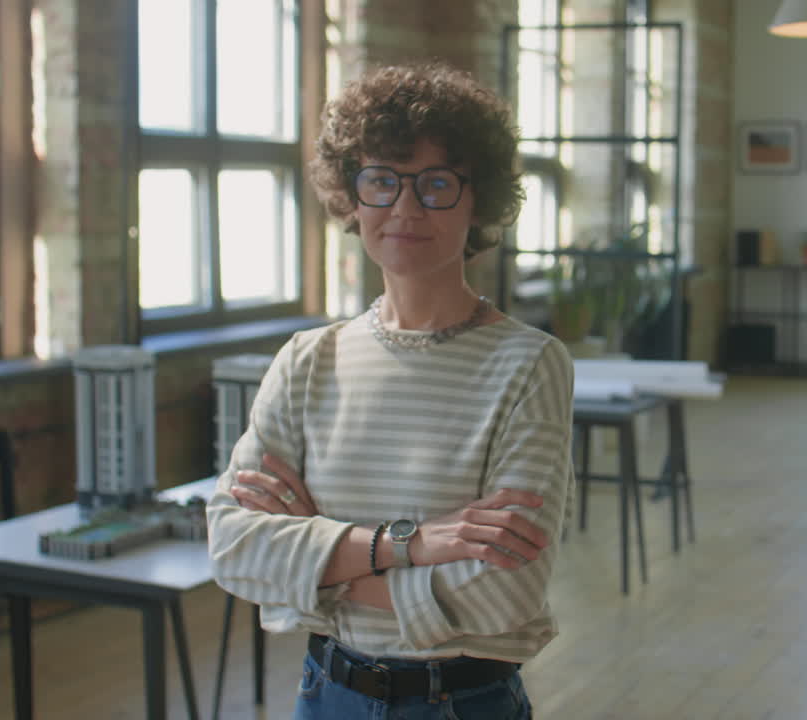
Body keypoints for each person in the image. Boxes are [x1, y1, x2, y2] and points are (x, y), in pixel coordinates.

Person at [206, 61, 574, 720]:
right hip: (325, 695)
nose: (405, 208)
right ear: (352, 196)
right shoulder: (307, 360)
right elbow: (235, 549)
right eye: (382, 180)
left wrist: (315, 563)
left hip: (461, 705)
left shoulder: (529, 363)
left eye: (436, 183)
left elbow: (507, 595)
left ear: (478, 199)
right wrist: (412, 546)